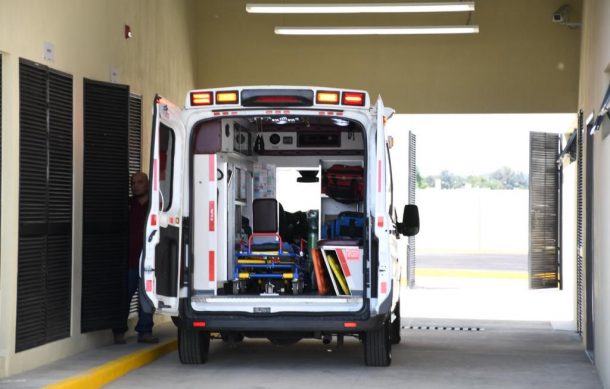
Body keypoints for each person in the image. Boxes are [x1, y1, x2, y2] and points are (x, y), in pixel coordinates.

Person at [113, 172, 159, 344]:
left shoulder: (154, 206)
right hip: (129, 261)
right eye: (132, 183)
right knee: (123, 297)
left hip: (148, 262)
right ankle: (118, 331)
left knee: (146, 298)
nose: (135, 186)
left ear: (147, 184)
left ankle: (145, 331)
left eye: (139, 182)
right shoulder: (127, 205)